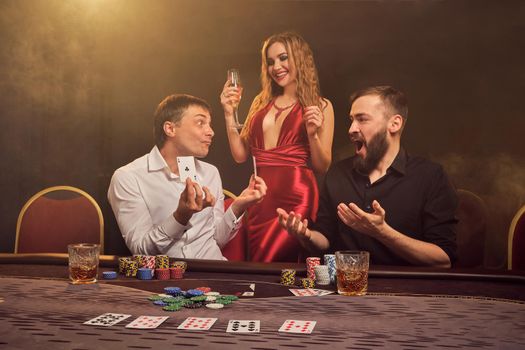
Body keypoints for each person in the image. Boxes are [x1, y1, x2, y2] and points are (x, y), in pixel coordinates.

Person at [277, 86, 458, 267]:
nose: (351, 129)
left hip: (404, 291)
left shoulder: (430, 176)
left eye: (362, 119)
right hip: (345, 291)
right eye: (351, 120)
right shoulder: (337, 174)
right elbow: (325, 240)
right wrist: (306, 235)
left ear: (394, 124)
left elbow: (443, 260)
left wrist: (382, 231)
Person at [220, 32, 334, 262]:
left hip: (296, 197)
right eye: (270, 62)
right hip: (259, 199)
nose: (276, 67)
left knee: (281, 263)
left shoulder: (321, 105)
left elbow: (322, 166)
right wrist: (228, 113)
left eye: (283, 58)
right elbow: (241, 155)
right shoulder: (260, 102)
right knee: (260, 264)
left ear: (300, 59)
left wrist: (313, 135)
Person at [108, 94, 267, 260]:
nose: (211, 132)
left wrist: (238, 206)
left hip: (215, 274)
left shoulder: (210, 172)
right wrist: (180, 216)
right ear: (170, 129)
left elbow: (217, 240)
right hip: (167, 280)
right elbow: (142, 250)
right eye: (200, 123)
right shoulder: (128, 178)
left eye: (209, 124)